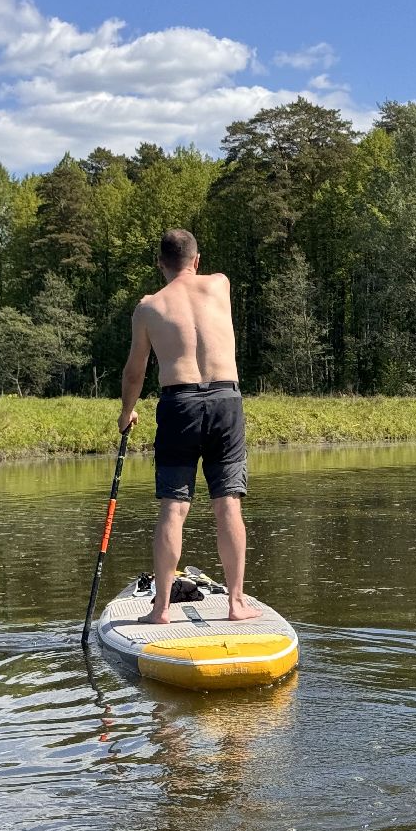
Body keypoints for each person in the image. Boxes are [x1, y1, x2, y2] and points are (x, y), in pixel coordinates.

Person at [118, 229, 260, 624]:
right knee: (227, 504)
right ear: (197, 261)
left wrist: (127, 411)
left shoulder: (148, 308)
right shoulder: (219, 285)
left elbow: (135, 371)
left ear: (160, 264)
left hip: (178, 404)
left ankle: (161, 609)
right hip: (225, 402)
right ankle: (235, 604)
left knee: (174, 508)